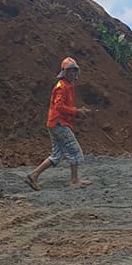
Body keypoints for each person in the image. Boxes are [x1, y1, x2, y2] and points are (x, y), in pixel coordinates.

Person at [26, 57, 91, 189]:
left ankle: (34, 175)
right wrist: (76, 111)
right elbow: (59, 107)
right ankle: (74, 180)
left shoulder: (67, 86)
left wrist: (76, 112)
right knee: (74, 150)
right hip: (58, 123)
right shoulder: (62, 87)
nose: (72, 74)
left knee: (57, 154)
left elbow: (63, 107)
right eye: (70, 71)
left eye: (74, 71)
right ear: (64, 72)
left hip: (55, 123)